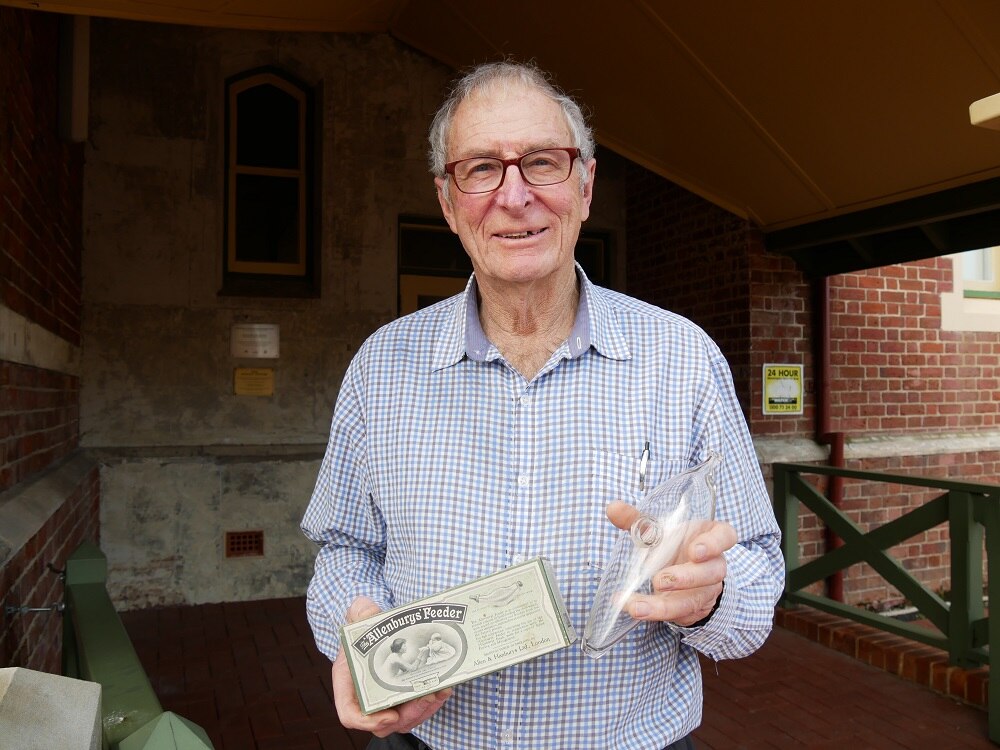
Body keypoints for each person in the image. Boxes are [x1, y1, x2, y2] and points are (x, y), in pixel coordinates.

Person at [302, 59, 784, 750]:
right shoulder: (383, 367)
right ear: (447, 201)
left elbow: (758, 573)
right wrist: (357, 637)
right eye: (480, 168)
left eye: (542, 162)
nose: (515, 195)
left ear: (585, 185)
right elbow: (346, 548)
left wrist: (709, 593)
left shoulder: (684, 359)